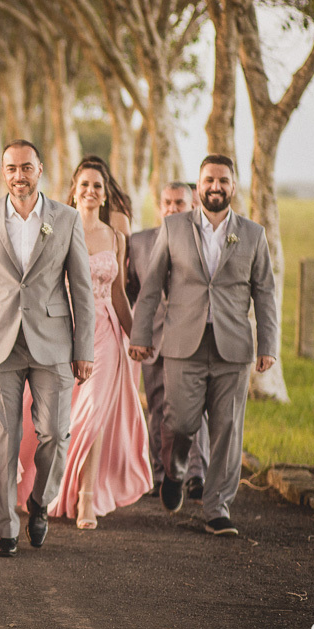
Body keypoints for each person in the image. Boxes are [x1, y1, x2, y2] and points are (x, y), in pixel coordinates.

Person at [0, 139, 94, 557]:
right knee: (4, 436)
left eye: (26, 167)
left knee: (55, 433)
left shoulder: (66, 218)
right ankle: (7, 528)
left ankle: (40, 502)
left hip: (54, 342)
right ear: (3, 172)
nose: (19, 176)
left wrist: (84, 348)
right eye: (11, 168)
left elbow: (82, 288)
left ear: (40, 170)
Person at [129, 154, 278, 537]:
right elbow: (150, 287)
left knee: (227, 428)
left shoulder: (253, 234)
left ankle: (217, 508)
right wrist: (141, 336)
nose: (216, 186)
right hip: (182, 344)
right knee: (180, 422)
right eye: (209, 179)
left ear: (233, 186)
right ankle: (175, 469)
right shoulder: (174, 227)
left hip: (233, 348)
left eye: (223, 180)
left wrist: (268, 344)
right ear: (199, 187)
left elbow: (264, 292)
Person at [49, 160, 151, 529]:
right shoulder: (58, 230)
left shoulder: (115, 238)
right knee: (65, 414)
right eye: (85, 185)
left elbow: (119, 293)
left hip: (105, 330)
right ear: (74, 190)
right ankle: (56, 484)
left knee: (93, 411)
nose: (90, 191)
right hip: (65, 328)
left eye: (97, 186)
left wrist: (136, 335)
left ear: (105, 195)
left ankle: (87, 497)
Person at [126, 182, 210, 501]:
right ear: (159, 205)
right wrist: (137, 334)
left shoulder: (203, 242)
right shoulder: (138, 242)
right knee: (158, 407)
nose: (173, 208)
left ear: (192, 206)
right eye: (168, 203)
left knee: (192, 408)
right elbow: (133, 292)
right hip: (154, 338)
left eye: (180, 203)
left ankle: (196, 474)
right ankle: (159, 473)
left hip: (190, 339)